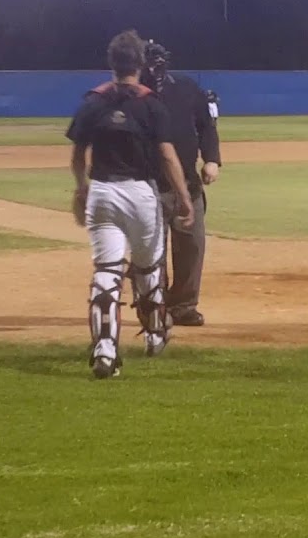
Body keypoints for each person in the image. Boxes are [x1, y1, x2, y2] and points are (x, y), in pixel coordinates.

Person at [66, 30, 194, 379]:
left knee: (106, 271)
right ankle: (154, 335)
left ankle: (105, 351)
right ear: (139, 64)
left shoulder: (94, 101)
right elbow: (167, 156)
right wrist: (183, 198)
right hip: (140, 195)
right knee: (147, 268)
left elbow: (78, 154)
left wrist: (81, 189)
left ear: (112, 63)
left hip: (103, 193)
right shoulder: (151, 103)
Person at [141, 40, 222, 327]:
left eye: (158, 60)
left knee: (192, 247)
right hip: (147, 185)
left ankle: (184, 306)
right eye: (149, 61)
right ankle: (154, 305)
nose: (155, 67)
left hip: (187, 182)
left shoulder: (186, 88)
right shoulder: (132, 93)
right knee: (152, 252)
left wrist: (212, 159)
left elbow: (206, 128)